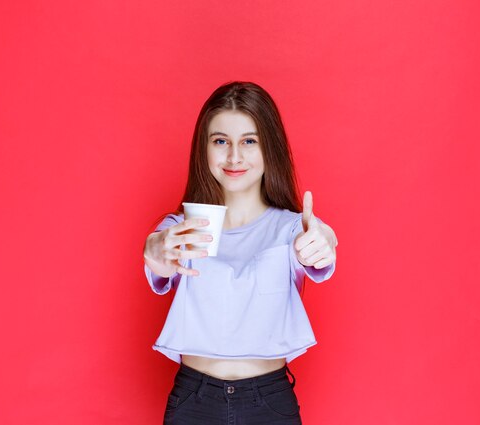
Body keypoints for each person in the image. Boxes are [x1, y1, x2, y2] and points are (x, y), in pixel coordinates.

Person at [143, 81, 338, 424]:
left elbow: (321, 243)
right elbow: (158, 257)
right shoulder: (181, 228)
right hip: (194, 402)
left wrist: (322, 243)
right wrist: (156, 250)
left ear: (270, 149)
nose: (234, 156)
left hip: (269, 403)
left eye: (249, 141)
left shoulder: (293, 229)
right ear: (204, 149)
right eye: (221, 141)